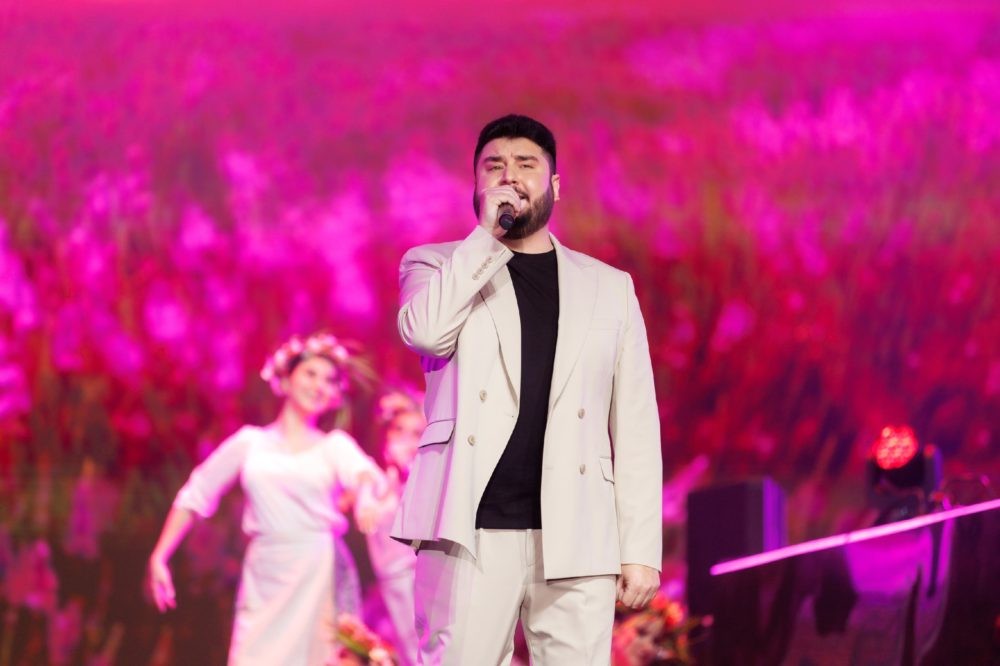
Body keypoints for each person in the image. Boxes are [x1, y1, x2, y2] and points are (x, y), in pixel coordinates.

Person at [392, 114, 663, 664]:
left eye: (525, 165)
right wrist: (484, 239)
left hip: (577, 531)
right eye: (494, 166)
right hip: (466, 526)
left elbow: (635, 423)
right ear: (475, 184)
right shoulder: (435, 264)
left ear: (555, 185)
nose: (509, 176)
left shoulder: (609, 288)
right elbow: (425, 333)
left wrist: (639, 548)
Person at [147, 332, 387, 666]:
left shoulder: (334, 445)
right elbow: (197, 491)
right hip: (265, 573)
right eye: (311, 374)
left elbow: (363, 476)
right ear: (286, 380)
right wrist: (160, 555)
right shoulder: (250, 443)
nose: (319, 385)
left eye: (329, 380)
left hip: (316, 570)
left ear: (335, 396)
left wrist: (365, 499)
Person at [363, 389, 425, 666]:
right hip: (393, 594)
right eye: (399, 430)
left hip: (429, 586)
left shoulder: (434, 480)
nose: (406, 439)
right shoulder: (372, 481)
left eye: (416, 432)